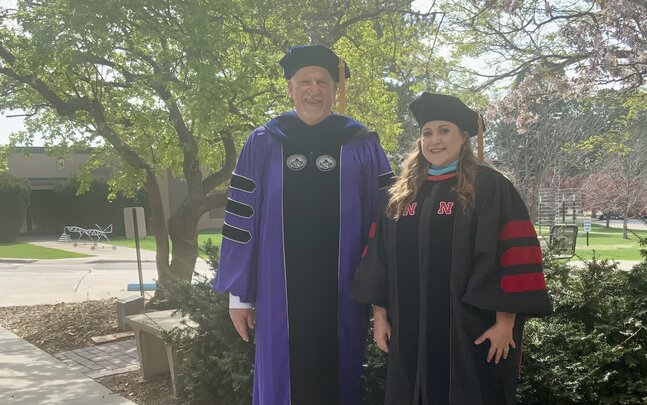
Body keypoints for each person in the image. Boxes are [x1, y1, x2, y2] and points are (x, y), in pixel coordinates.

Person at [214, 45, 393, 405]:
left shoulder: (360, 142)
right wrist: (239, 295)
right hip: (278, 292)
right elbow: (241, 218)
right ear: (290, 89)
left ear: (334, 89)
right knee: (281, 375)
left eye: (323, 82)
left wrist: (381, 296)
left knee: (340, 375)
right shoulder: (264, 141)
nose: (314, 89)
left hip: (343, 289)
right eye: (305, 81)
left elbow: (384, 220)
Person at [351, 92, 552, 405]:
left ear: (464, 137)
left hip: (468, 330)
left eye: (444, 130)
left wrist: (505, 322)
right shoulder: (403, 193)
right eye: (427, 133)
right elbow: (381, 257)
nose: (435, 140)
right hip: (409, 330)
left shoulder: (489, 186)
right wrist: (380, 315)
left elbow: (509, 254)